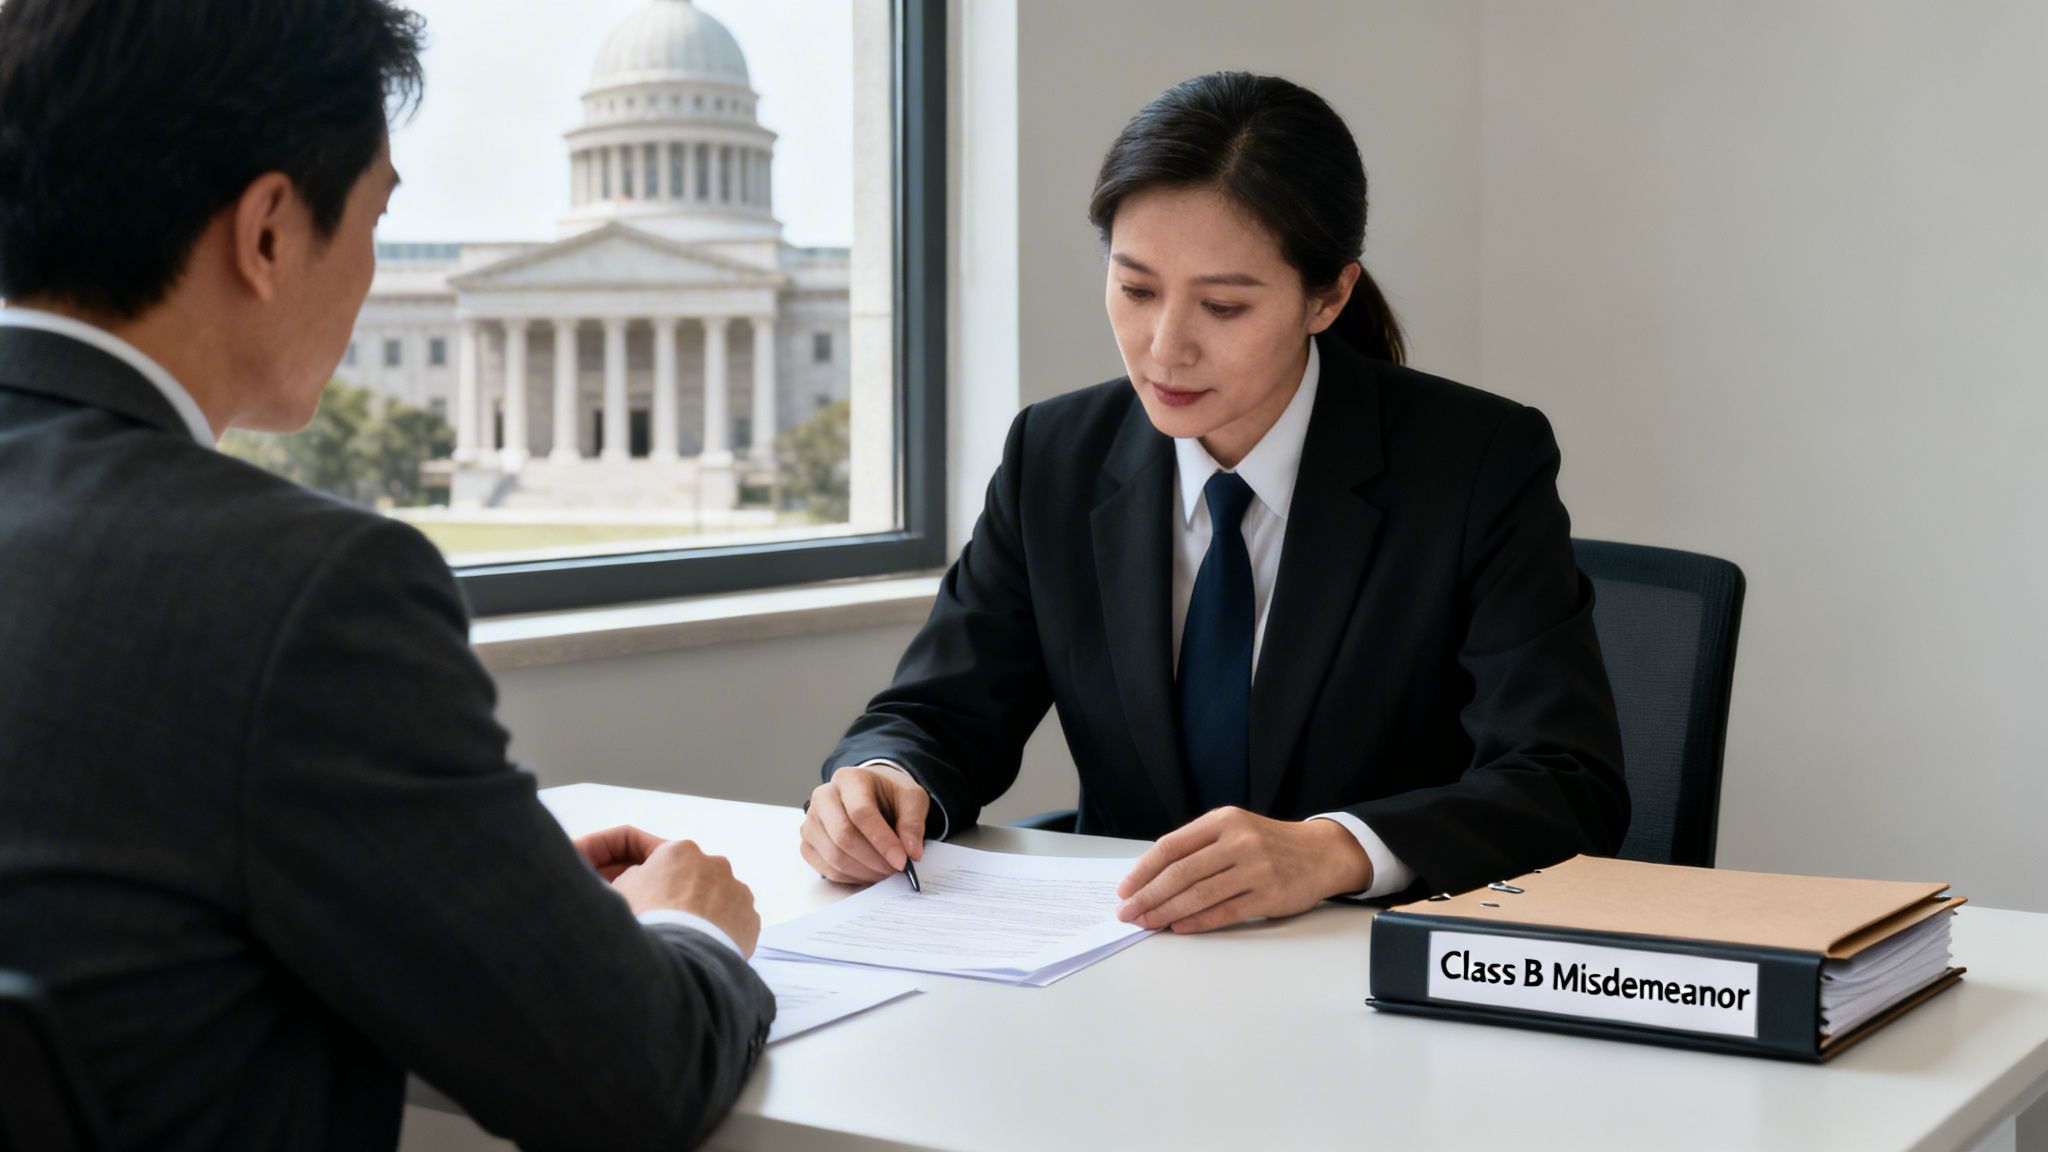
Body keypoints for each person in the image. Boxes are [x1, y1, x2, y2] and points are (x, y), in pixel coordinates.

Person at [0, 2, 772, 1149]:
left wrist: (463, 885)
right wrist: (690, 935)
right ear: (267, 231)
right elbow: (630, 1078)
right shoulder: (297, 591)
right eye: (374, 215)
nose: (366, 275)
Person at [800, 71, 1629, 932]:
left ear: (1329, 296)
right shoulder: (1055, 456)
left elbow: (1564, 783)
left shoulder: (1475, 463)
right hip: (1120, 967)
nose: (1165, 349)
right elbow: (940, 709)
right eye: (1135, 289)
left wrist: (1331, 850)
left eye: (1224, 305)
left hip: (1370, 966)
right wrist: (887, 780)